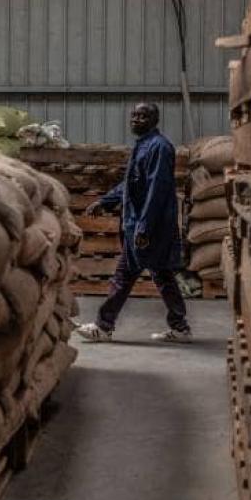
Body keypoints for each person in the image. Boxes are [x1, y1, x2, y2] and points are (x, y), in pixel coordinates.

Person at [76, 103, 191, 343]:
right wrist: (105, 201)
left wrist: (143, 227)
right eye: (134, 115)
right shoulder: (142, 146)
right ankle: (180, 327)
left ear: (155, 120)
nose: (136, 120)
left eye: (143, 116)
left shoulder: (159, 147)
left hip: (150, 227)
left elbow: (156, 191)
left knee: (125, 275)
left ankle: (103, 326)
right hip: (139, 225)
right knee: (161, 275)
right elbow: (131, 185)